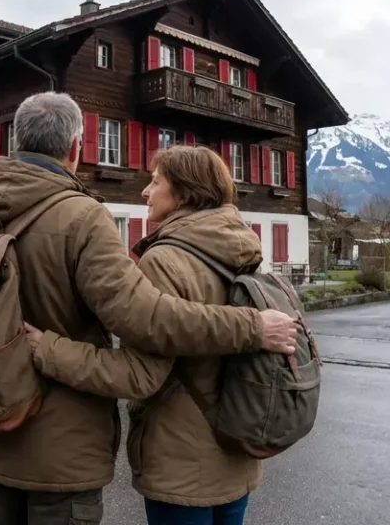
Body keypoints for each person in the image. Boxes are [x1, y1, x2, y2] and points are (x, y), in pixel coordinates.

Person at [0, 92, 297, 525]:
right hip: (64, 448)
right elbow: (147, 321)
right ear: (77, 147)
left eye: (155, 180)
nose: (145, 189)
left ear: (15, 141)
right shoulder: (83, 218)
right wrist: (252, 327)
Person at [25, 145, 266, 525]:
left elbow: (139, 375)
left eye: (155, 182)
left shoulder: (165, 261)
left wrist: (48, 348)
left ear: (184, 194)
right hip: (236, 448)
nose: (144, 192)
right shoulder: (242, 249)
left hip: (181, 464)